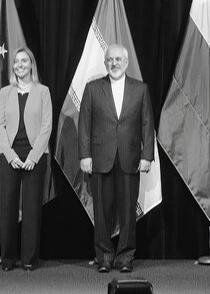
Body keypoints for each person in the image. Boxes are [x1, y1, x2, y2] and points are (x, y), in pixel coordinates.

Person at [78, 44, 154, 273]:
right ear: (105, 63)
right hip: (100, 159)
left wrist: (147, 156)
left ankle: (125, 257)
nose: (114, 63)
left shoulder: (140, 89)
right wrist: (85, 155)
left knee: (128, 212)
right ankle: (104, 257)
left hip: (130, 159)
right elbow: (84, 125)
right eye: (110, 59)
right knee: (102, 212)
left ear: (126, 62)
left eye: (118, 59)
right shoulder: (93, 88)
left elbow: (147, 124)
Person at [0, 47, 53, 271]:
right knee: (7, 208)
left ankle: (29, 259)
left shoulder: (43, 91)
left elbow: (47, 126)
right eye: (16, 61)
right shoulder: (5, 92)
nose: (19, 65)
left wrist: (34, 156)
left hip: (35, 156)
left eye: (24, 61)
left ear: (31, 65)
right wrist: (10, 155)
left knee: (32, 209)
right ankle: (8, 259)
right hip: (10, 155)